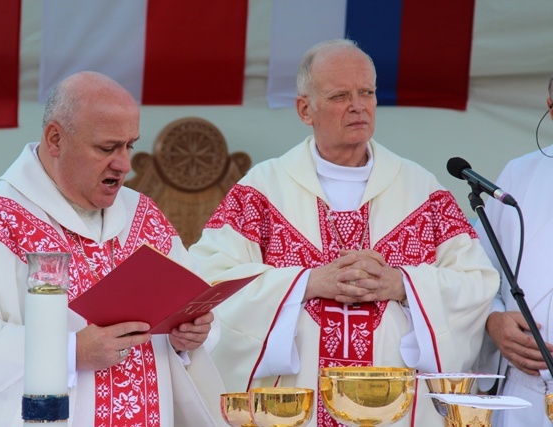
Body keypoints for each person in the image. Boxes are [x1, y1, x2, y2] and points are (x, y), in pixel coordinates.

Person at [189, 39, 500, 426]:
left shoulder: (422, 191)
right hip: (296, 408)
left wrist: (402, 284)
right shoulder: (264, 190)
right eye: (340, 95)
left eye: (366, 92)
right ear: (305, 109)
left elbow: (477, 283)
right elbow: (207, 282)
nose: (358, 105)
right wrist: (307, 282)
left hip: (398, 410)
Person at [0, 71, 226, 426]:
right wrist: (69, 352)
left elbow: (190, 310)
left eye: (129, 146)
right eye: (107, 148)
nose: (124, 164)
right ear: (55, 139)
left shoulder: (144, 216)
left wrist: (191, 335)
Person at [475, 75, 553, 426]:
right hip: (527, 394)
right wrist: (493, 321)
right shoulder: (518, 176)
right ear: (550, 110)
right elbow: (475, 274)